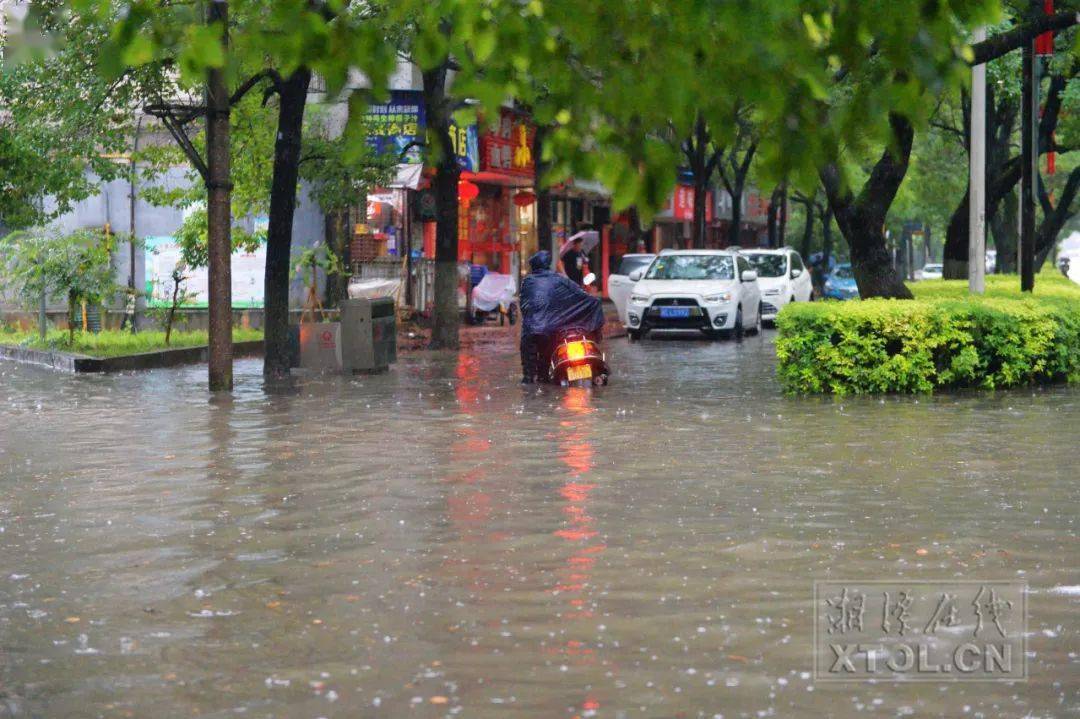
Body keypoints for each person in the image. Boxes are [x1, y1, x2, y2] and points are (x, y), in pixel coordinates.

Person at [519, 250, 605, 383]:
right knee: (543, 362)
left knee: (530, 373)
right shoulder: (559, 279)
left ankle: (529, 380)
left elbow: (524, 307)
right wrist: (595, 302)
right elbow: (581, 295)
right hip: (551, 331)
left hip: (532, 332)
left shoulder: (527, 282)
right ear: (548, 264)